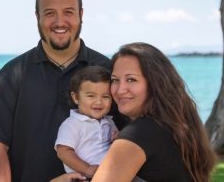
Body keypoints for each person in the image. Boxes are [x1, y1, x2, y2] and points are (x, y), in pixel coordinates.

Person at [0, 0, 126, 182]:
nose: (59, 22)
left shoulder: (108, 71)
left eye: (68, 12)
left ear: (81, 14)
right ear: (37, 17)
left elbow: (133, 136)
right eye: (50, 13)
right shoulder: (12, 74)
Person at [91, 42, 216, 182]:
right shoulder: (176, 126)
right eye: (115, 80)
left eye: (131, 79)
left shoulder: (138, 134)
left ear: (155, 83)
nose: (120, 90)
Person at [55, 66, 118, 179]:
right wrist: (86, 169)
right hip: (84, 176)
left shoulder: (109, 121)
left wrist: (116, 140)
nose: (99, 102)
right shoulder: (72, 124)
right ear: (75, 97)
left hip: (108, 175)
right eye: (91, 96)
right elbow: (63, 151)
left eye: (105, 96)